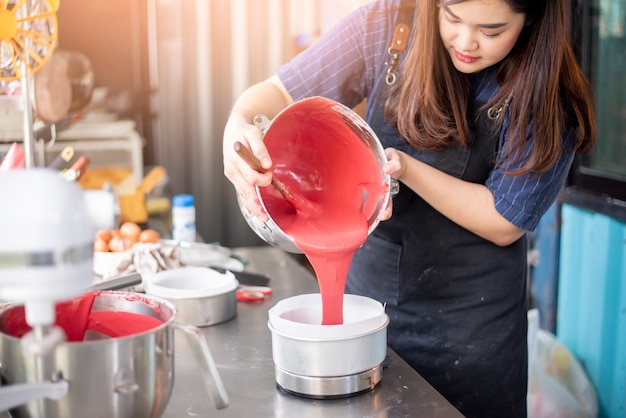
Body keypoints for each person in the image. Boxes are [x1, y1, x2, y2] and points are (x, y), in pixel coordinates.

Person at [222, 0, 596, 416]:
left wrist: (406, 169)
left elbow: (504, 220)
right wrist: (238, 125)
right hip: (365, 310)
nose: (465, 41)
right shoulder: (386, 25)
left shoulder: (550, 94)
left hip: (471, 336)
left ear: (533, 19)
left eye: (491, 31)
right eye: (451, 17)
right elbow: (278, 92)